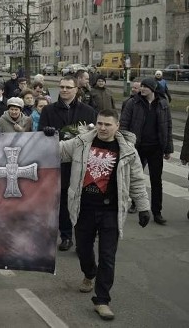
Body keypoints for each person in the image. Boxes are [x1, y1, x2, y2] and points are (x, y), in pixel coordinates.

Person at [58, 109, 151, 321]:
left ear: (117, 126)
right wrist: (47, 137)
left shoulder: (128, 150)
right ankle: (90, 273)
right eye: (99, 123)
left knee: (108, 256)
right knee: (83, 249)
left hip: (111, 210)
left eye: (108, 124)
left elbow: (136, 179)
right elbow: (58, 151)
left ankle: (102, 300)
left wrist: (143, 206)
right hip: (84, 208)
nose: (102, 128)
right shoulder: (81, 142)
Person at [39, 75, 96, 251]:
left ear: (76, 89)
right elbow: (40, 135)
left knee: (81, 202)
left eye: (68, 87)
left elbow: (94, 136)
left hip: (80, 162)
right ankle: (65, 235)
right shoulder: (49, 110)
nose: (64, 90)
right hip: (59, 161)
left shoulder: (87, 111)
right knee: (63, 200)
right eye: (62, 87)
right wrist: (46, 132)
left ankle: (82, 238)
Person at [119, 77, 173, 224]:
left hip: (156, 148)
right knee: (134, 178)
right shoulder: (132, 103)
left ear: (153, 89)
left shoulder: (163, 103)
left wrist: (168, 148)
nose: (142, 89)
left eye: (145, 87)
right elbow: (124, 124)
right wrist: (124, 145)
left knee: (156, 181)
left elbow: (168, 126)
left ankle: (157, 212)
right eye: (141, 86)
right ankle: (136, 204)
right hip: (137, 148)